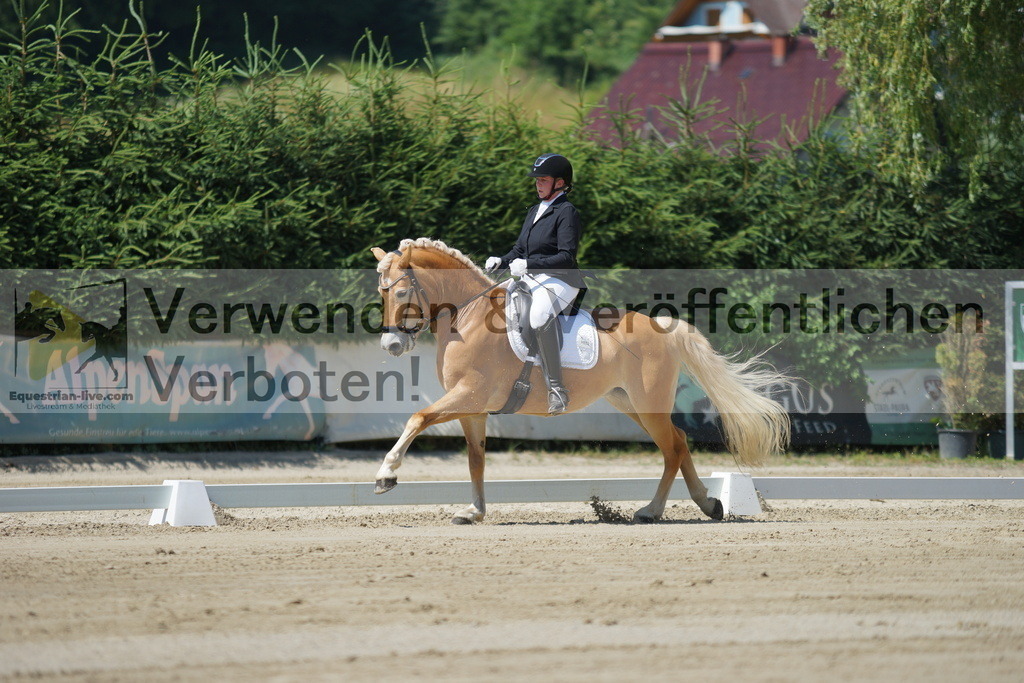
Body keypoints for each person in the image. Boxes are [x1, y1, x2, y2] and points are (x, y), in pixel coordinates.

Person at [485, 153, 585, 415]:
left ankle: (557, 389)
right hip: (533, 277)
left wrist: (529, 265)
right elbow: (520, 249)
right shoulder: (535, 210)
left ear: (560, 183)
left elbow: (566, 257)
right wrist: (502, 260)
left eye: (543, 180)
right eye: (537, 180)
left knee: (539, 316)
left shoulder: (566, 212)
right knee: (494, 302)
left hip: (561, 279)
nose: (538, 184)